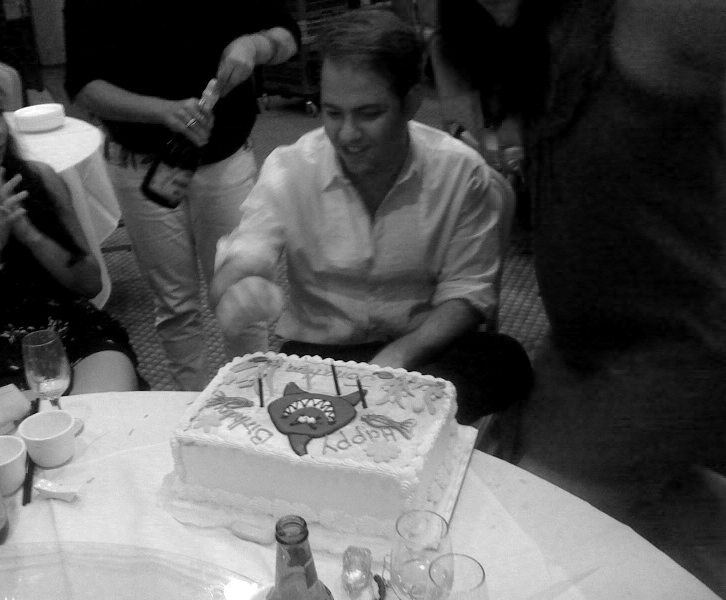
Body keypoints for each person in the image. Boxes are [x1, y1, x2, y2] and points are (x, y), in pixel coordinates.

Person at [439, 0, 726, 593]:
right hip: (583, 348)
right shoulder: (492, 35)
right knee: (509, 491)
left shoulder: (652, 16)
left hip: (672, 354)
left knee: (510, 553)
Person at [211, 7, 533, 424]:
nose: (347, 135)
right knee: (310, 407)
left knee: (506, 358)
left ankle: (368, 426)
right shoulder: (290, 167)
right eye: (333, 113)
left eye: (368, 114)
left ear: (411, 102)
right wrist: (237, 284)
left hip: (424, 349)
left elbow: (468, 294)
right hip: (324, 356)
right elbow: (245, 255)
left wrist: (397, 358)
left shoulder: (460, 172)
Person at [63, 0, 300, 391]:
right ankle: (189, 406)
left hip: (224, 156)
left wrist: (254, 46)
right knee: (175, 306)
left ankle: (252, 401)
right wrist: (161, 111)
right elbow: (84, 86)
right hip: (140, 163)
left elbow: (287, 35)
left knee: (242, 295)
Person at [0, 57, 141, 393]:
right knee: (22, 425)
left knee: (97, 414)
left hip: (71, 334)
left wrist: (30, 235)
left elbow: (90, 284)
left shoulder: (39, 179)